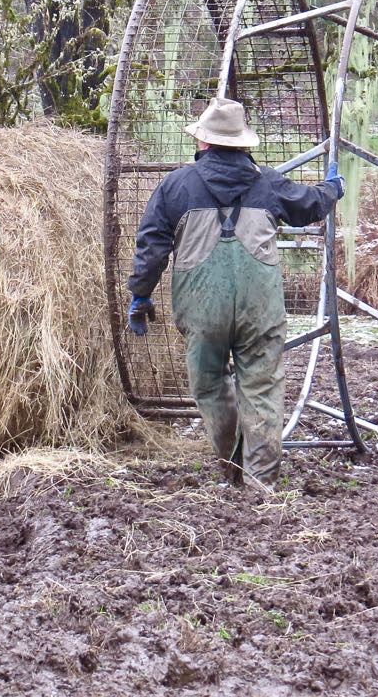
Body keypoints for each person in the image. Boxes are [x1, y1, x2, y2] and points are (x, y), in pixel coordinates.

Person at [126, 97, 343, 488]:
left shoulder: (175, 186)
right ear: (244, 144)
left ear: (203, 143)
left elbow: (152, 245)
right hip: (260, 310)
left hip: (202, 310)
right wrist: (332, 188)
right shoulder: (268, 182)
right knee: (261, 390)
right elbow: (309, 205)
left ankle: (232, 466)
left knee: (209, 386)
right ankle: (262, 482)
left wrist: (141, 294)